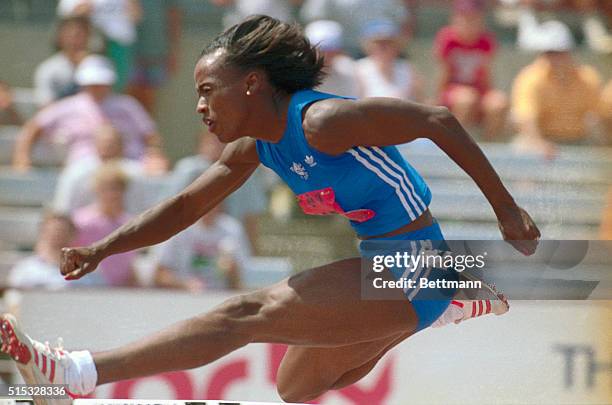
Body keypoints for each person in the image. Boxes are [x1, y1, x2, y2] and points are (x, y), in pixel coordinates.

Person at [0, 16, 540, 404]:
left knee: (246, 315)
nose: (199, 105)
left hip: (414, 262)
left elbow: (438, 119)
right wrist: (102, 248)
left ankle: (77, 371)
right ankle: (447, 303)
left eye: (209, 90)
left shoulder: (322, 122)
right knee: (296, 387)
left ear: (253, 84)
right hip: (390, 265)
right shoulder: (258, 142)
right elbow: (187, 204)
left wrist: (507, 212)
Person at [13, 55, 166, 171]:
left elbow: (150, 135)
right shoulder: (67, 106)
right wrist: (22, 157)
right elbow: (34, 126)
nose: (97, 87)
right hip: (85, 167)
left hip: (129, 165)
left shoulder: (127, 105)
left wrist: (155, 155)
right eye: (92, 83)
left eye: (100, 82)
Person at [511, 21, 604, 157]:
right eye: (549, 53)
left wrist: (602, 146)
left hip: (579, 140)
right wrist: (539, 143)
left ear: (569, 52)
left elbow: (599, 116)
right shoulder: (530, 78)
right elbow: (525, 119)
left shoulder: (587, 78)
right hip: (542, 140)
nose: (554, 58)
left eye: (559, 52)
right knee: (522, 152)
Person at [434, 0, 509, 140]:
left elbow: (486, 73)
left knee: (499, 102)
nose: (469, 22)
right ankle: (453, 142)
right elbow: (443, 73)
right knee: (467, 99)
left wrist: (489, 96)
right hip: (453, 89)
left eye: (473, 18)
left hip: (478, 90)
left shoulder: (486, 41)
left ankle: (488, 145)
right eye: (465, 17)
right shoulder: (447, 39)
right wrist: (438, 101)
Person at [153, 204, 250, 292]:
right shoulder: (178, 227)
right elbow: (159, 275)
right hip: (183, 298)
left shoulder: (232, 229)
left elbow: (240, 281)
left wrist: (232, 271)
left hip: (218, 297)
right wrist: (184, 285)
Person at [52, 124, 147, 215]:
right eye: (105, 142)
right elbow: (63, 208)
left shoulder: (137, 173)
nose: (108, 146)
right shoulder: (76, 172)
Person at [72, 163, 138, 287]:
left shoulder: (130, 223)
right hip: (89, 287)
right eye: (106, 188)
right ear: (97, 189)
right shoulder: (81, 221)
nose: (112, 193)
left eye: (117, 188)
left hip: (122, 291)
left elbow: (130, 263)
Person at [127, 0, 182, 113]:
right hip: (127, 54)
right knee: (128, 99)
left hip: (155, 53)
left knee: (149, 98)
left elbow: (174, 16)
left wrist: (174, 51)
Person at [356, 20, 424, 102]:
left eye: (388, 42)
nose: (383, 47)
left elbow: (420, 100)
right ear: (368, 45)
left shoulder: (408, 69)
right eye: (378, 43)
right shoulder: (359, 69)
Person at [7, 213, 75, 290]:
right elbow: (13, 296)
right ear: (42, 233)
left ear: (72, 235)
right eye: (52, 230)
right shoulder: (25, 268)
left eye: (62, 230)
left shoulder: (83, 271)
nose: (57, 234)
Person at [33, 16, 91, 107]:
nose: (75, 41)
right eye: (70, 36)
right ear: (60, 37)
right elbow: (45, 106)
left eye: (79, 35)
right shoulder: (48, 69)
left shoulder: (98, 66)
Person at [304, 20, 360, 98]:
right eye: (321, 49)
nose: (326, 55)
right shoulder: (296, 74)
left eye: (331, 49)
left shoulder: (348, 68)